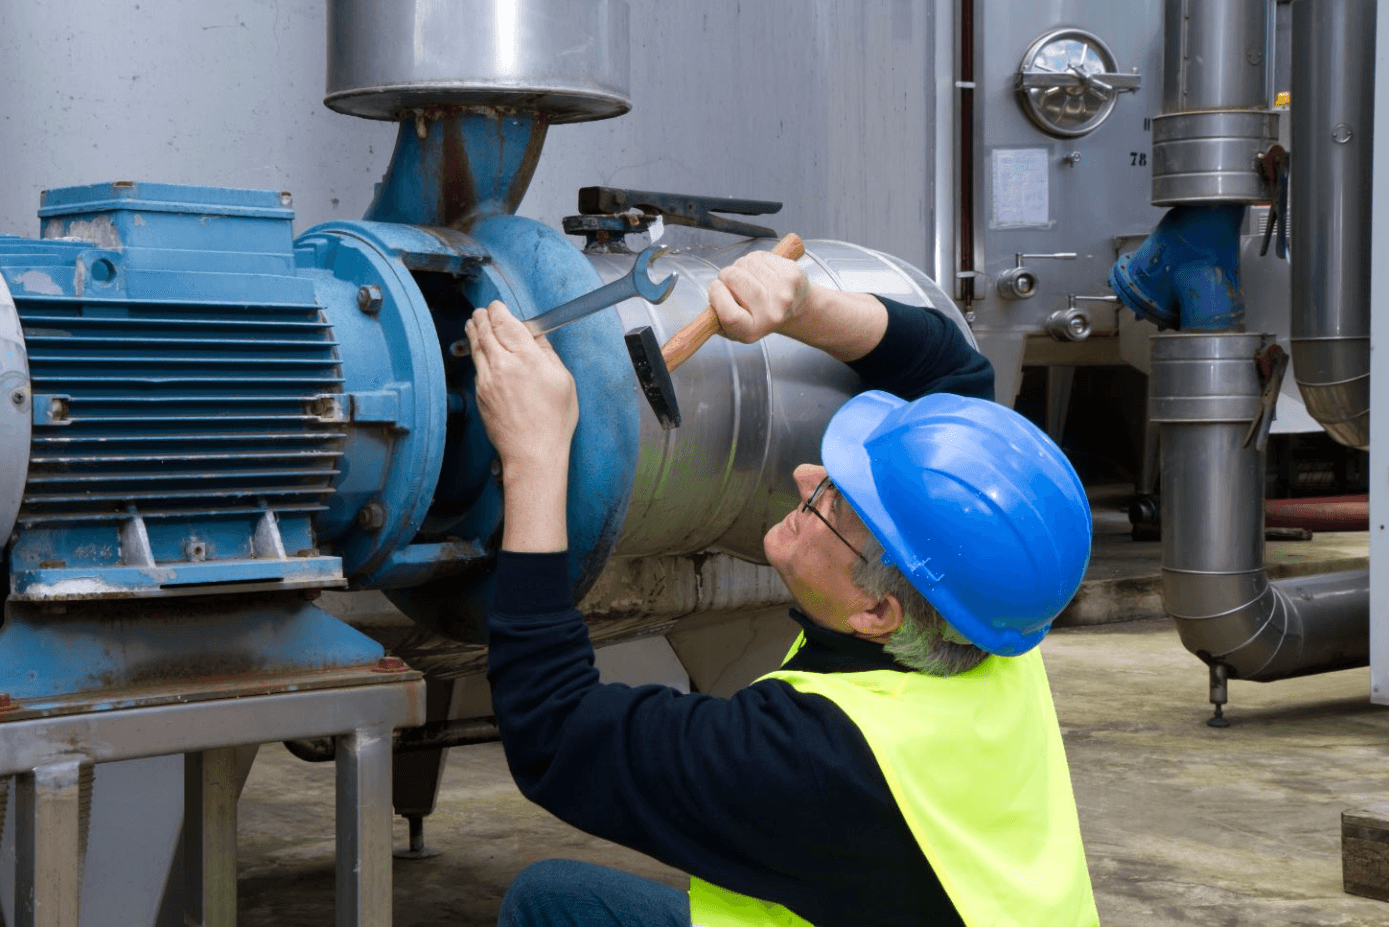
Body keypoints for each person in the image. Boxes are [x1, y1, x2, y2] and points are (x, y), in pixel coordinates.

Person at [464, 247, 1099, 927]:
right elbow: (951, 373)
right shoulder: (980, 602)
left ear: (877, 609)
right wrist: (805, 307)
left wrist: (534, 456)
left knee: (549, 905)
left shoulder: (817, 759)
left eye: (832, 498)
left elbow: (555, 730)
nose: (802, 476)